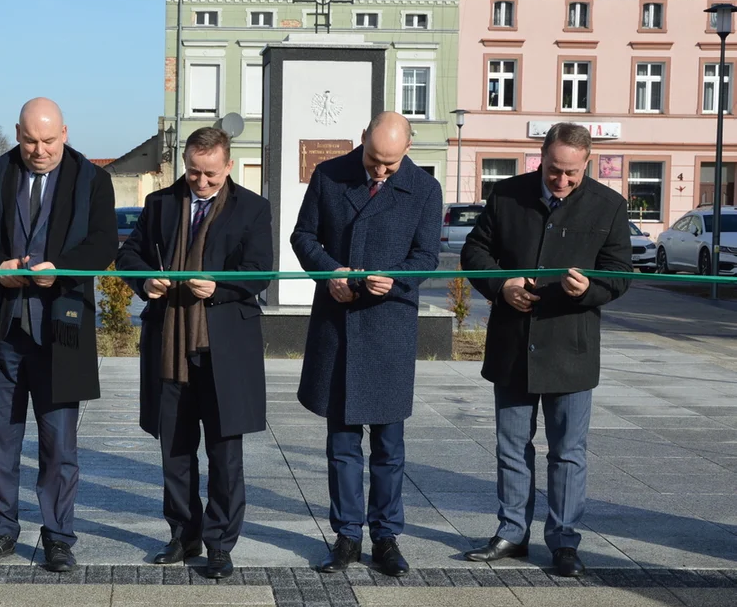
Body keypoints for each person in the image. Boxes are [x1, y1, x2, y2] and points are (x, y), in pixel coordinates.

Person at [0, 98, 117, 572]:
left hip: (60, 331)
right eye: (29, 140)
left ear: (65, 132)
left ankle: (58, 537)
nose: (39, 150)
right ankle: (0, 532)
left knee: (59, 443)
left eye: (48, 141)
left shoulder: (93, 179)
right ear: (16, 133)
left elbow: (103, 242)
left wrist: (62, 271)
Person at [460, 122, 632, 578]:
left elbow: (619, 274)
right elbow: (475, 252)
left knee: (568, 452)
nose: (562, 181)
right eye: (555, 170)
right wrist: (502, 285)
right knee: (511, 448)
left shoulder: (609, 205)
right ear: (541, 157)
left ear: (587, 162)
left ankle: (564, 541)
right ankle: (512, 532)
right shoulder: (506, 195)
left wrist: (589, 288)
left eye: (572, 173)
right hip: (514, 345)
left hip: (569, 347)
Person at [116, 128, 273, 579]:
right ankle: (183, 536)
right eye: (192, 172)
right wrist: (145, 282)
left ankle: (220, 544)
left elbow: (260, 272)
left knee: (225, 454)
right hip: (170, 345)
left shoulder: (252, 208)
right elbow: (130, 256)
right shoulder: (160, 203)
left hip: (224, 347)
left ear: (228, 165)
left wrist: (219, 287)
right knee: (176, 450)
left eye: (209, 174)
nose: (200, 182)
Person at [291, 111, 442, 576]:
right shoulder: (330, 173)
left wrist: (394, 280)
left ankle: (387, 536)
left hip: (388, 326)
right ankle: (347, 536)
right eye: (374, 160)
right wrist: (328, 271)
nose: (379, 171)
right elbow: (303, 236)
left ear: (407, 151)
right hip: (338, 324)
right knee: (341, 444)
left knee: (389, 446)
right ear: (362, 141)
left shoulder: (424, 189)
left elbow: (426, 257)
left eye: (389, 165)